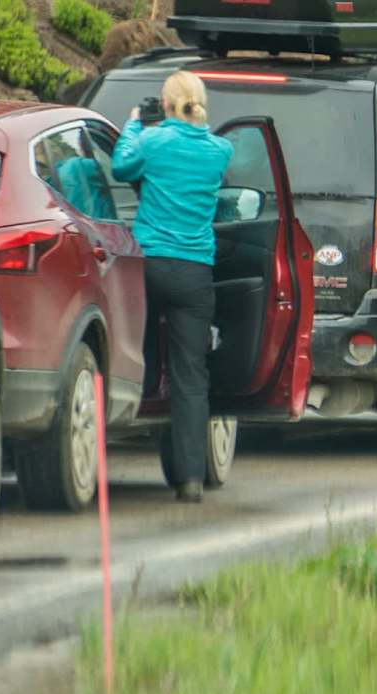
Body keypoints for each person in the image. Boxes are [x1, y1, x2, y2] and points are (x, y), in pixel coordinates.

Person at [112, 71, 234, 503]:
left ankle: (119, 429)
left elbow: (121, 164)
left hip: (149, 264)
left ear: (165, 105)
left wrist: (132, 123)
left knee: (135, 352)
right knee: (190, 377)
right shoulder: (221, 151)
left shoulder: (153, 141)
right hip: (195, 272)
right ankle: (190, 479)